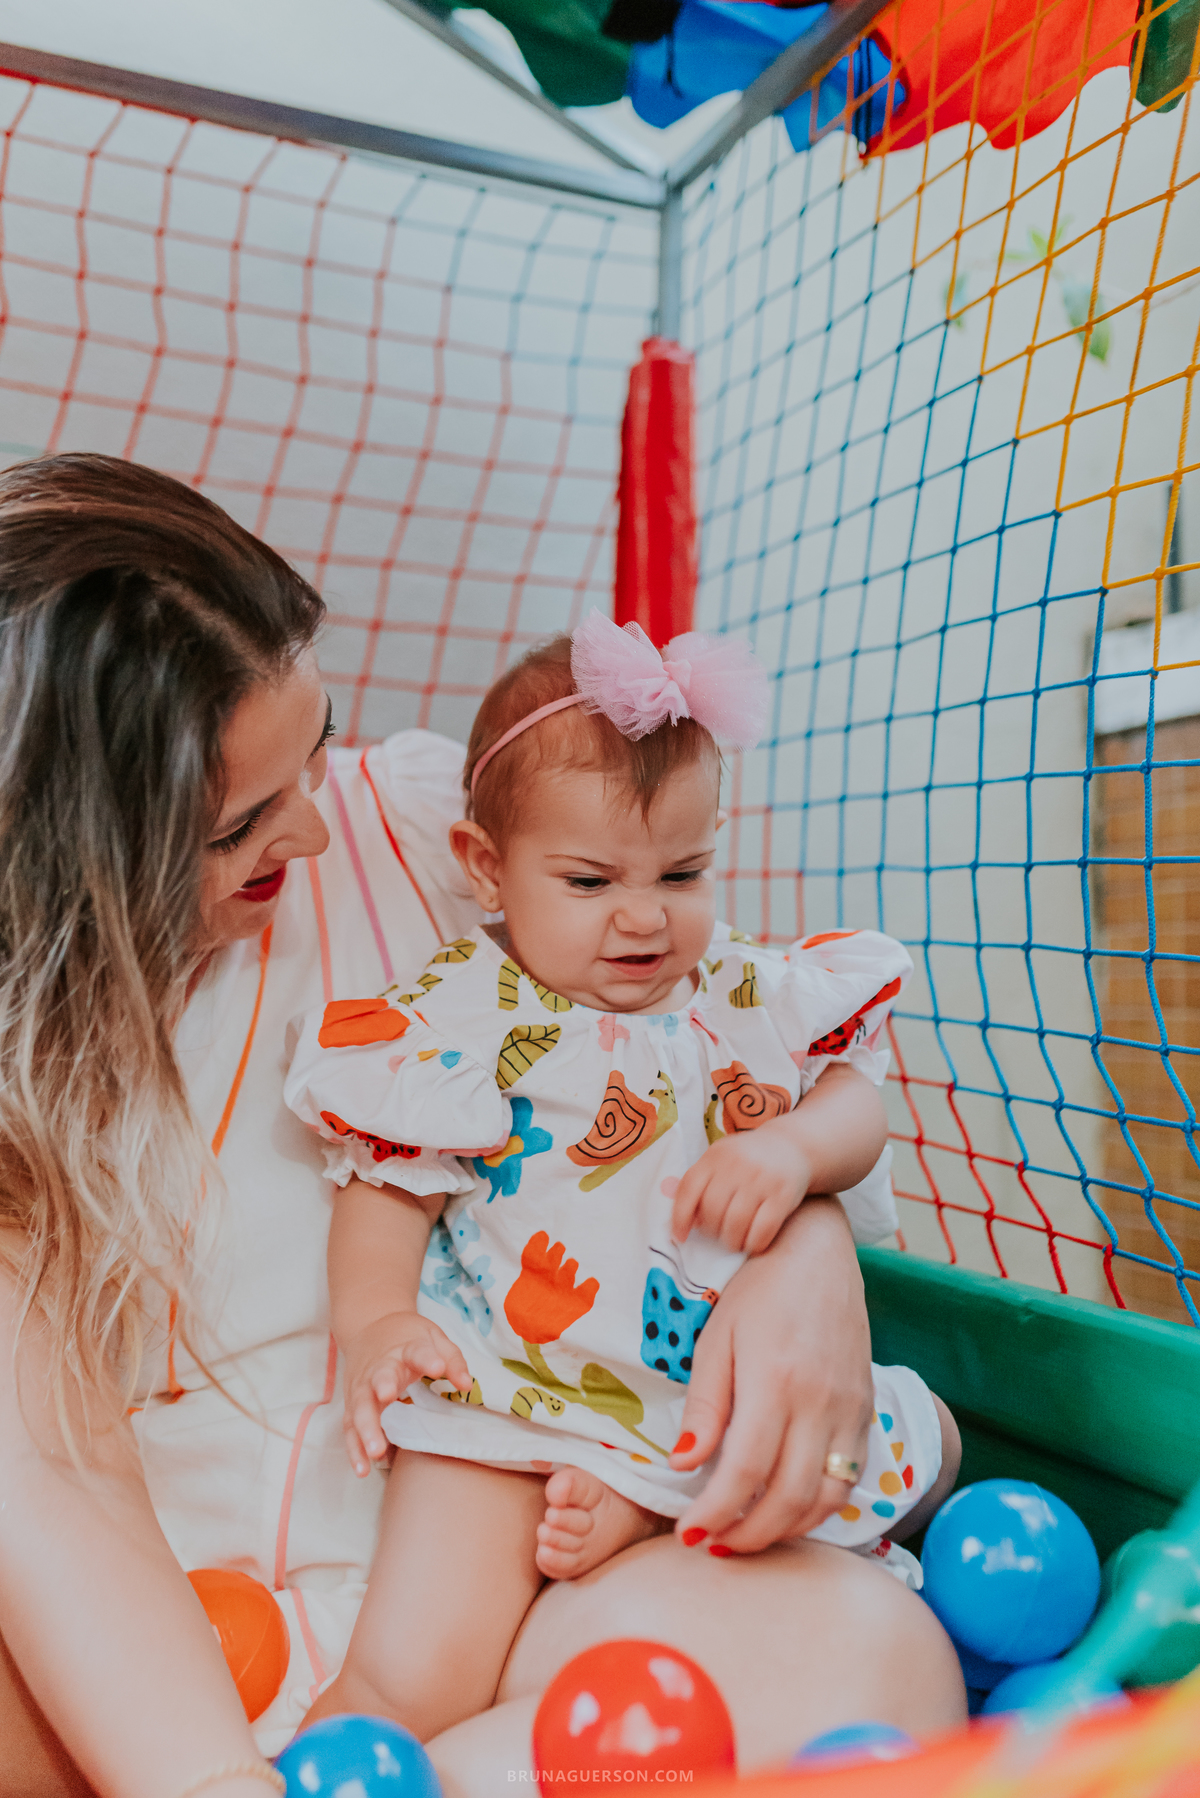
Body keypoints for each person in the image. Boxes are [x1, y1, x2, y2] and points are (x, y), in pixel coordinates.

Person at [0, 455, 964, 1798]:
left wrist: (806, 1240)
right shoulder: (33, 1061)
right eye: (241, 825)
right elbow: (48, 1476)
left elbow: (711, 1050)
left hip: (512, 1551)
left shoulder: (435, 831)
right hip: (133, 1645)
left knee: (867, 1660)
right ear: (72, 861)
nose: (312, 830)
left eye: (318, 744)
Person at [285, 616, 960, 1740]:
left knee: (925, 1443)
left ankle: (644, 1513)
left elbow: (857, 1104)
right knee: (409, 1677)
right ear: (486, 866)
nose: (646, 916)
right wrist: (379, 1322)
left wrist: (796, 1150)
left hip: (716, 1397)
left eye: (682, 872)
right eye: (591, 880)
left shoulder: (747, 990)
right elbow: (386, 1190)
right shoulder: (466, 1015)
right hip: (513, 1392)